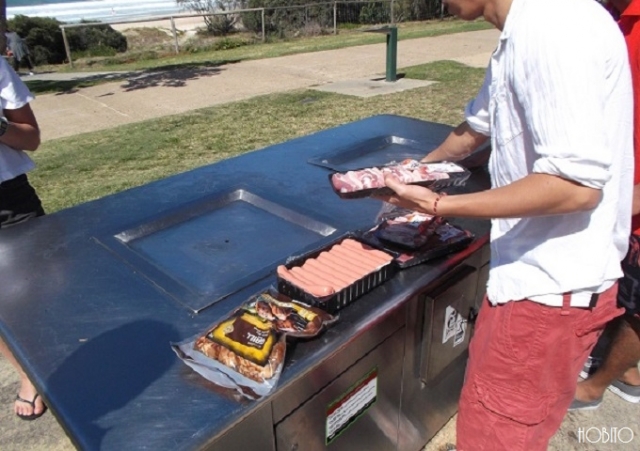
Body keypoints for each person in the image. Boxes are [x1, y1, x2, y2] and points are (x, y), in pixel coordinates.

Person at [376, 0, 633, 449]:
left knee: (493, 437)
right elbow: (478, 127)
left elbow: (574, 186)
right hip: (542, 287)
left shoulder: (551, 27)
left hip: (546, 296)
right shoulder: (528, 26)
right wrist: (417, 170)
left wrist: (437, 204)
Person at [569, 0, 640, 411]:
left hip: (634, 195)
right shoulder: (615, 18)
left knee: (639, 299)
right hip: (621, 183)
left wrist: (633, 195)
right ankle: (625, 368)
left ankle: (599, 385)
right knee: (623, 282)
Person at [0, 53, 45, 420]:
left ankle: (38, 368)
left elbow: (31, 139)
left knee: (35, 295)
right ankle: (27, 370)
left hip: (8, 200)